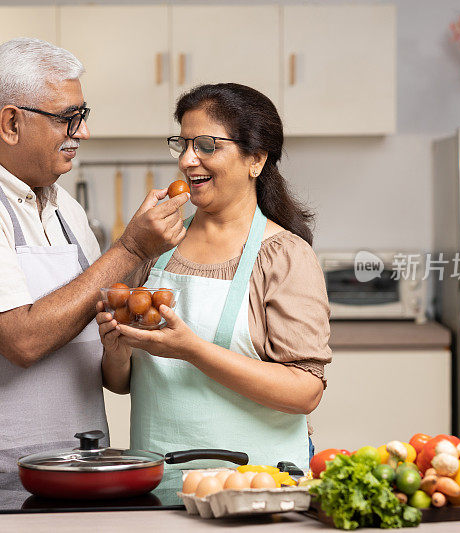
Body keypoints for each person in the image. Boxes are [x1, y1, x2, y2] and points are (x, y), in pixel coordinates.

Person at [0, 38, 189, 472]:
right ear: (12, 124)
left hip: (76, 467)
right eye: (68, 119)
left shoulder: (66, 210)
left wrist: (139, 274)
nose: (83, 132)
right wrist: (130, 247)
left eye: (83, 115)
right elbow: (22, 339)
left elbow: (104, 356)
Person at [99, 83, 332, 469]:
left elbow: (305, 392)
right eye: (184, 144)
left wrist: (191, 349)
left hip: (257, 484)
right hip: (161, 479)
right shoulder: (156, 246)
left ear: (255, 158)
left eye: (207, 146)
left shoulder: (285, 256)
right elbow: (123, 383)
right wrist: (116, 349)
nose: (188, 161)